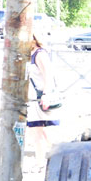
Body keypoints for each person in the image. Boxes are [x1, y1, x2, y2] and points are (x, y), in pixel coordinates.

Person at [27, 27, 59, 172]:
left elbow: (48, 75)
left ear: (34, 38)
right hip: (34, 99)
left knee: (45, 133)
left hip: (41, 98)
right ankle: (40, 163)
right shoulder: (31, 54)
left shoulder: (40, 54)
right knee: (37, 132)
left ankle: (58, 160)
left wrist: (46, 94)